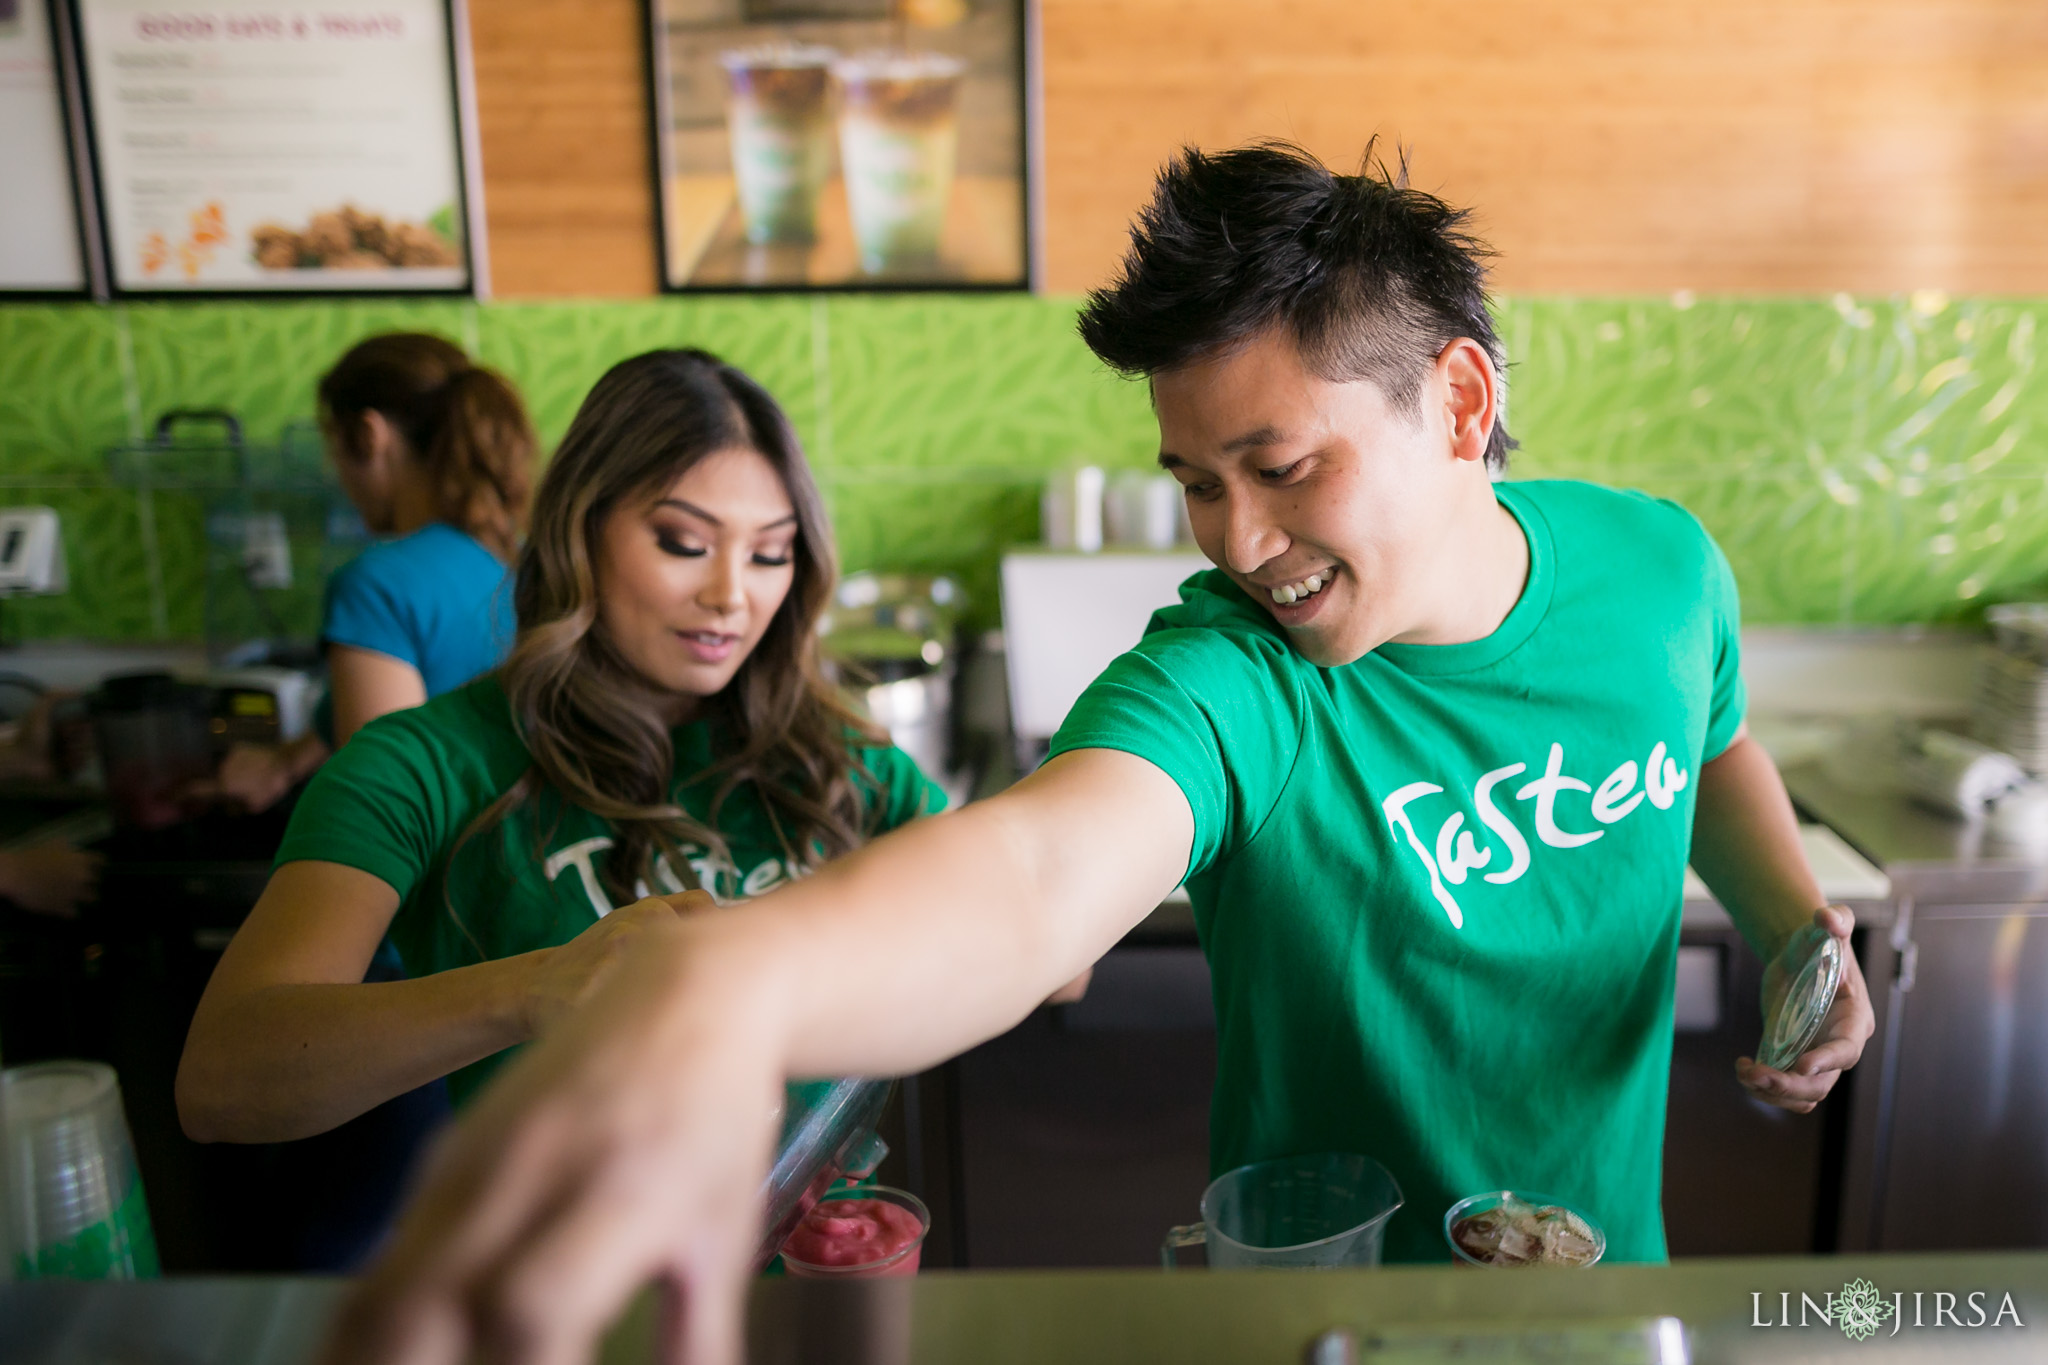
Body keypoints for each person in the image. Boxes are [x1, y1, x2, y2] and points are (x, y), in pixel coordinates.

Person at [318, 144, 1877, 1365]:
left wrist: (1798, 921)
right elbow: (1034, 876)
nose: (1244, 542)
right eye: (1199, 482)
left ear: (1460, 400)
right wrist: (723, 986)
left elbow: (1710, 733)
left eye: (1280, 468)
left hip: (1599, 1287)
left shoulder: (1660, 572)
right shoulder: (1234, 675)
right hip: (1304, 1315)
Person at [176, 349, 946, 1146]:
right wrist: (534, 987)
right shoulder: (420, 766)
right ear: (579, 530)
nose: (730, 594)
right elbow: (222, 1078)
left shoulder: (838, 761)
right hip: (565, 1265)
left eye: (770, 552)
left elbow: (1052, 953)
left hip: (831, 1261)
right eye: (684, 541)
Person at [209, 333, 537, 811]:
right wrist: (284, 763)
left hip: (446, 873)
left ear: (371, 435)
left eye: (334, 448)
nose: (336, 472)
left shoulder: (376, 585)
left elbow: (384, 797)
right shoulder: (520, 556)